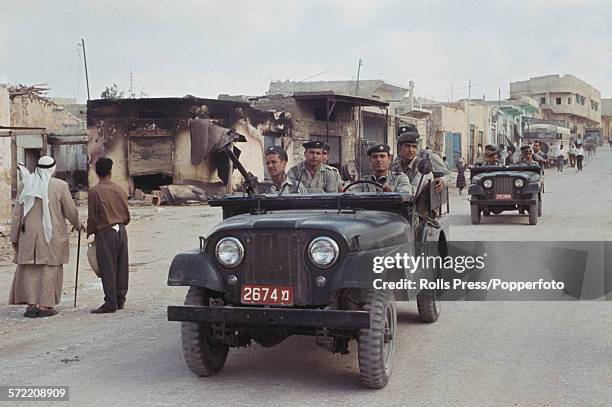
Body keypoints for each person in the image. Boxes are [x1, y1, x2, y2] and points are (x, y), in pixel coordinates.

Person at [9, 156, 82, 318]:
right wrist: (78, 225)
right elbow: (70, 211)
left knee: (30, 269)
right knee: (49, 268)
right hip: (52, 236)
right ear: (53, 169)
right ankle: (44, 306)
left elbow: (17, 214)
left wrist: (14, 237)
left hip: (28, 235)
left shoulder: (25, 184)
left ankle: (31, 305)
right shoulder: (60, 186)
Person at [87, 157, 131, 314]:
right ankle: (120, 300)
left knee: (108, 267)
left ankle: (110, 302)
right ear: (110, 172)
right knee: (121, 266)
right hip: (121, 230)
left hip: (106, 232)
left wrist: (90, 231)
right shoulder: (120, 189)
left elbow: (93, 217)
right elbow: (127, 216)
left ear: (96, 173)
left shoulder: (94, 192)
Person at [391, 125, 447, 194]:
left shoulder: (424, 162)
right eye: (407, 146)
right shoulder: (396, 164)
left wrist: (443, 180)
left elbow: (411, 194)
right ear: (399, 146)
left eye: (414, 146)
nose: (411, 150)